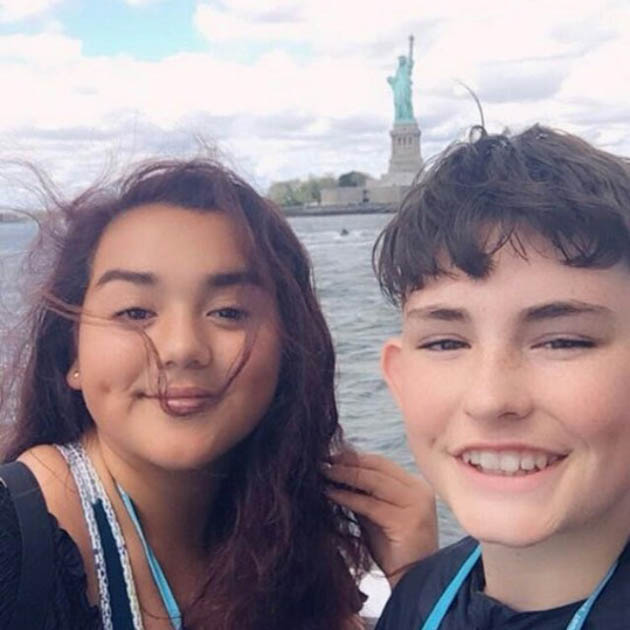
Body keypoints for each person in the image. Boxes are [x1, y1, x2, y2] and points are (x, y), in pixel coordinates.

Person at [0, 158, 436, 630]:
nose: (182, 348)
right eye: (134, 312)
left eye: (228, 312)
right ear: (72, 355)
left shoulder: (282, 534)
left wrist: (418, 580)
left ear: (288, 347)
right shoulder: (16, 545)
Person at [374, 125, 630, 629]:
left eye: (563, 341)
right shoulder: (417, 599)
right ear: (399, 378)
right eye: (445, 343)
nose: (491, 399)